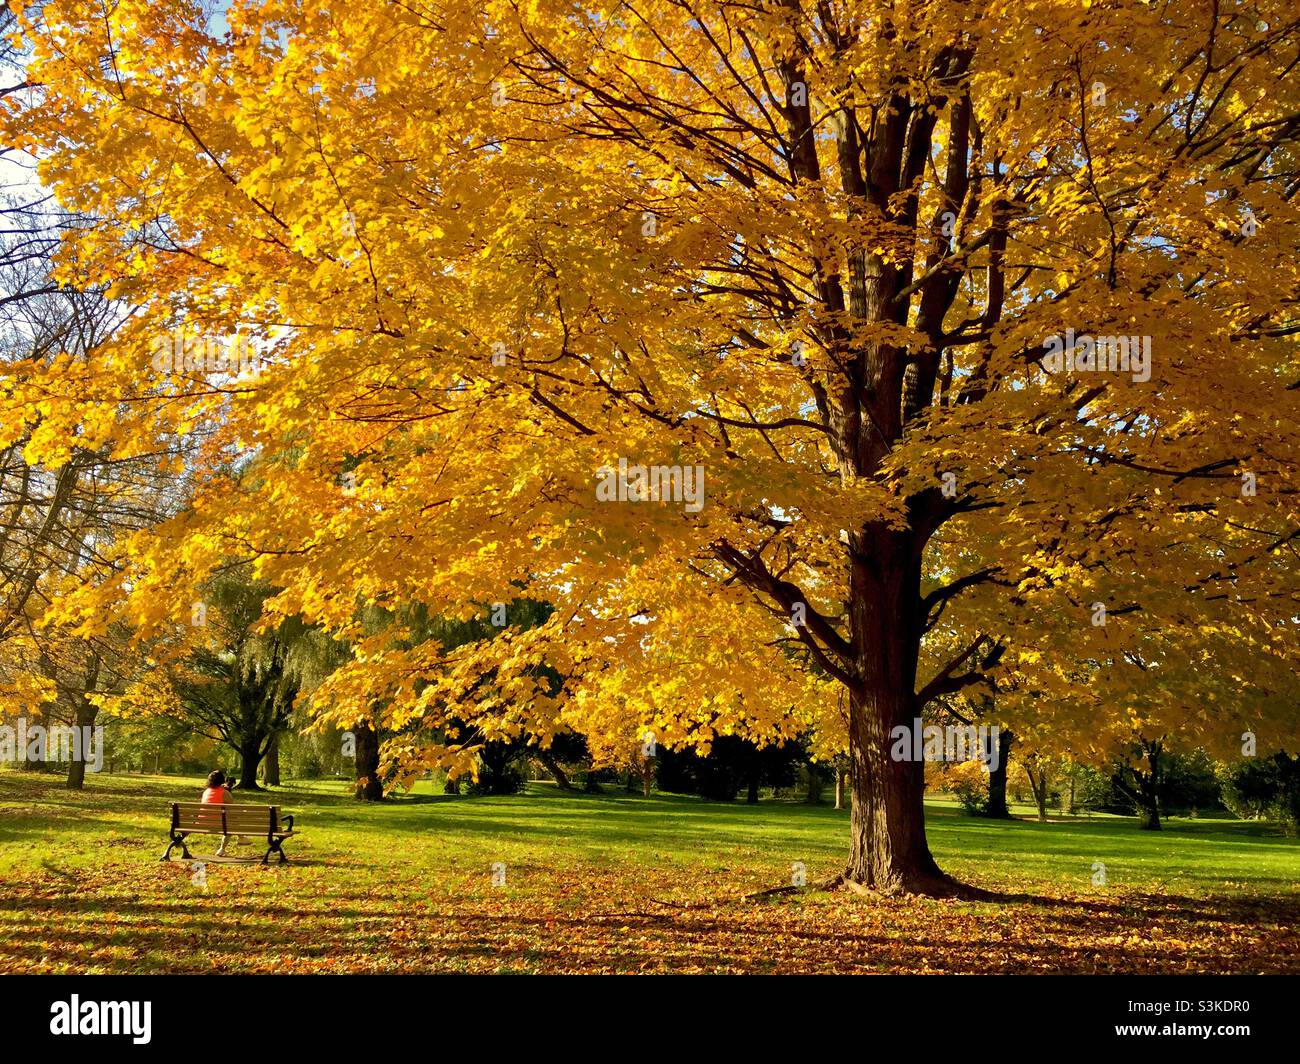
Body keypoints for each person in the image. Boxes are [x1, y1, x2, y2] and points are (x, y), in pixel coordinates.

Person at [200, 770, 242, 856]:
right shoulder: (224, 793)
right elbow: (232, 807)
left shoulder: (206, 792)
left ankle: (241, 837)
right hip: (220, 824)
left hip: (202, 823)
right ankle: (222, 849)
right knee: (230, 824)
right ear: (222, 780)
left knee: (229, 821)